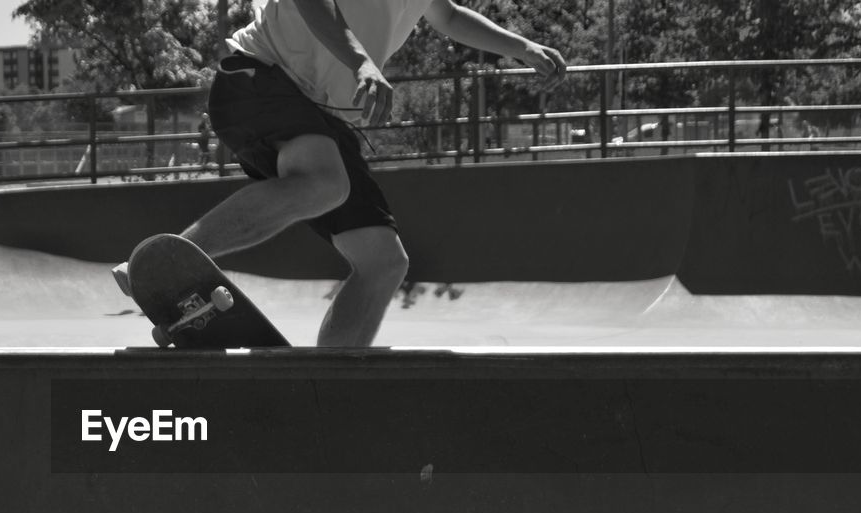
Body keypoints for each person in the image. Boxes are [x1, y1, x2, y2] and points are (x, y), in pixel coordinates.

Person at [128, 0, 567, 346]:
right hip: (257, 76)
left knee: (383, 262)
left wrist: (520, 47)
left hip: (316, 114)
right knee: (326, 182)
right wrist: (361, 61)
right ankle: (163, 264)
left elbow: (447, 15)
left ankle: (330, 386)